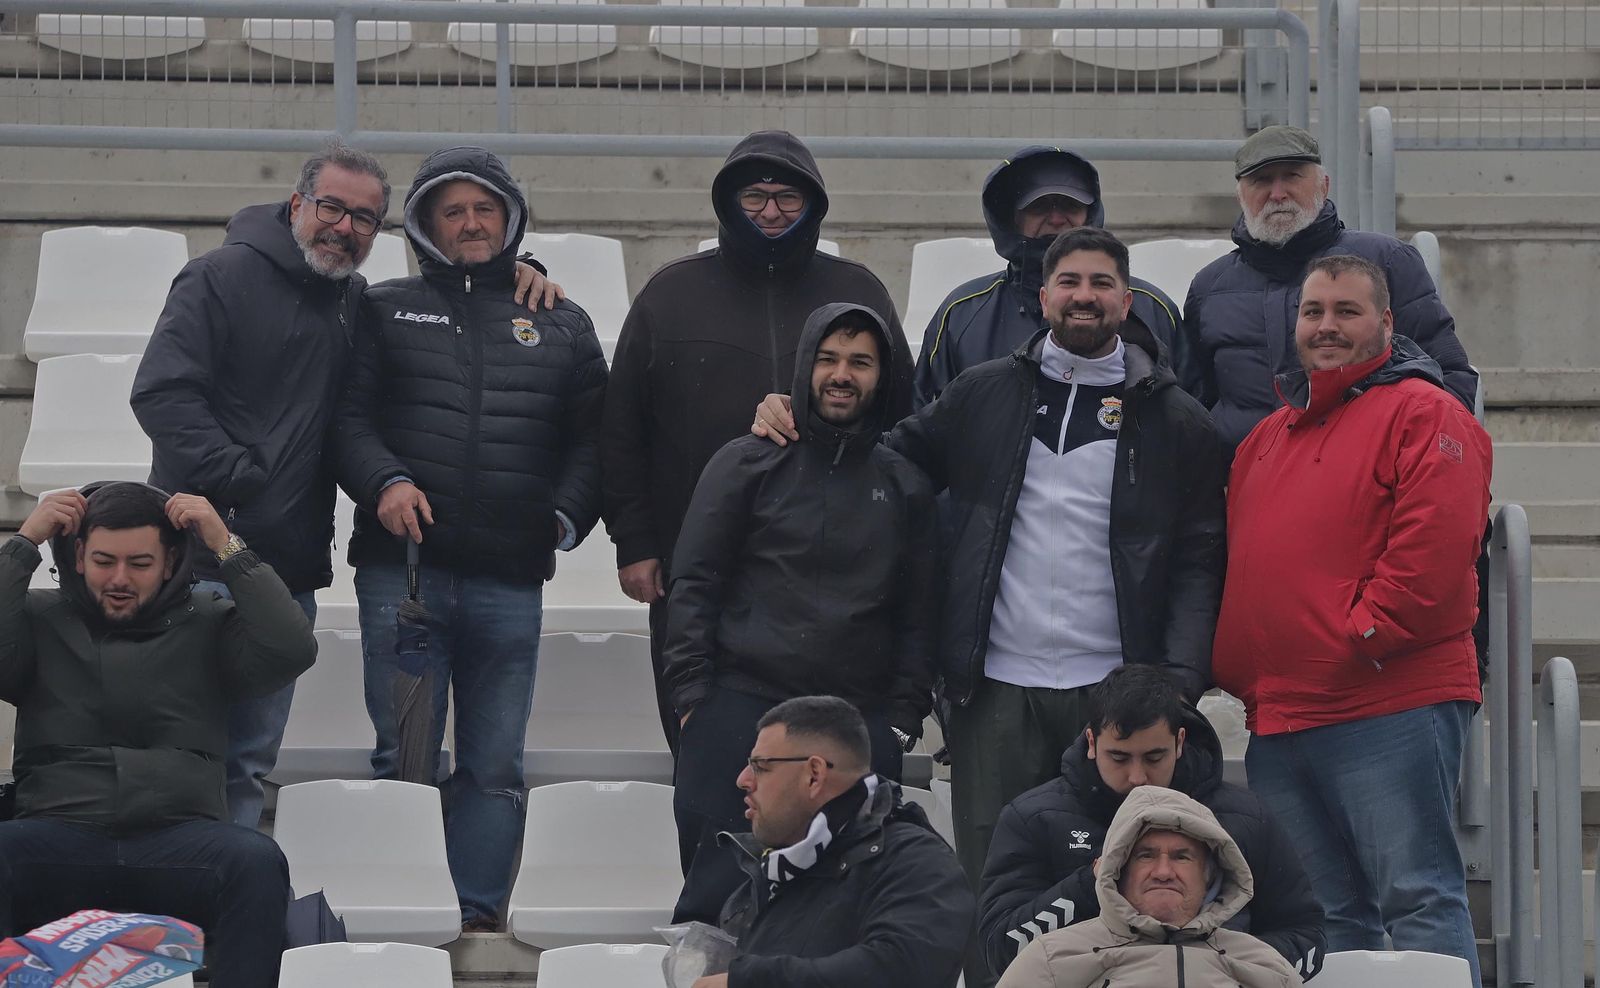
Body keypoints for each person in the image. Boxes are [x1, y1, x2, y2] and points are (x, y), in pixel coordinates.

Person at [752, 226, 1226, 928]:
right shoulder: (983, 393)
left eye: (1101, 284)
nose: (1084, 297)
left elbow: (1197, 557)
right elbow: (886, 464)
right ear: (1044, 297)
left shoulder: (1177, 418)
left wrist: (1178, 683)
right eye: (1070, 283)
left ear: (1128, 301)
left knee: (1120, 889)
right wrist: (802, 410)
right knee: (992, 892)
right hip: (996, 687)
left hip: (1115, 693)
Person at [130, 141, 560, 829]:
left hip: (281, 580)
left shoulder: (352, 299)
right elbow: (162, 395)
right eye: (331, 207)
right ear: (297, 204)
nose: (345, 227)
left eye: (364, 218)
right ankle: (168, 920)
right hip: (200, 568)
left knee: (246, 763)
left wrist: (523, 271)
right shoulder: (218, 277)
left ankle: (221, 907)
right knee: (178, 756)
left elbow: (462, 304)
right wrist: (242, 478)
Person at [329, 145, 607, 933]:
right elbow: (346, 422)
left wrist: (563, 517)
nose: (471, 223)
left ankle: (478, 913)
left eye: (485, 208)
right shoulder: (381, 309)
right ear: (424, 226)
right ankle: (405, 912)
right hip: (405, 582)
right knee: (407, 759)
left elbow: (595, 441)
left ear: (511, 218)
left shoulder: (560, 318)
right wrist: (385, 483)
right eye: (452, 210)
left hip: (509, 584)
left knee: (494, 766)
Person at [1211, 254, 1491, 986]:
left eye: (1346, 311)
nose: (1327, 326)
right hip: (1283, 714)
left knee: (1418, 897)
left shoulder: (1427, 412)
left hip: (1387, 701)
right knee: (1323, 915)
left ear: (1386, 325)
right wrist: (1245, 671)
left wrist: (1360, 636)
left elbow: (1434, 552)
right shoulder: (1267, 438)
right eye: (1314, 312)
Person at [601, 130, 916, 753]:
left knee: (825, 779)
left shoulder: (859, 291)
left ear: (814, 205)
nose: (771, 211)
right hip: (694, 573)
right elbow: (620, 430)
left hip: (835, 575)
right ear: (727, 203)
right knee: (711, 771)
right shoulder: (670, 294)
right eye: (754, 197)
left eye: (788, 197)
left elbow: (900, 417)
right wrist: (633, 543)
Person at [664, 303, 938, 924]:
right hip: (737, 708)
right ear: (804, 367)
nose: (842, 375)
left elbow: (920, 614)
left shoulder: (905, 485)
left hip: (855, 720)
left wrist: (897, 722)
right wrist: (693, 701)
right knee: (715, 907)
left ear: (882, 377)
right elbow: (693, 585)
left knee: (841, 914)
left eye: (860, 362)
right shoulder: (745, 461)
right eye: (829, 358)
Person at [0, 482, 317, 988]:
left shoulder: (210, 619)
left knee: (255, 861)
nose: (119, 578)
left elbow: (292, 648)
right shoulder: (39, 618)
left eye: (140, 564)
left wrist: (227, 546)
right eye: (105, 561)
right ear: (78, 556)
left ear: (170, 563)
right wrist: (23, 543)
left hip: (179, 843)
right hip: (58, 837)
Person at [978, 664, 1325, 980]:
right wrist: (1094, 883)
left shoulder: (1245, 820)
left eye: (1154, 757)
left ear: (1179, 742)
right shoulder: (1034, 819)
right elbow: (1001, 952)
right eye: (1119, 757)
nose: (1137, 777)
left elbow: (1307, 937)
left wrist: (1223, 971)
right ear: (1091, 743)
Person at [1175, 125, 1475, 453]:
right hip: (1244, 486)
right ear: (1240, 195)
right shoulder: (1209, 287)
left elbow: (1448, 378)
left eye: (1292, 176)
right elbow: (1194, 405)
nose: (1277, 194)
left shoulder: (1388, 261)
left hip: (1366, 484)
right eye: (1261, 180)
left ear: (1324, 185)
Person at [689, 695, 974, 988]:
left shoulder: (917, 861)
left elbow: (903, 971)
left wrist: (749, 982)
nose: (743, 779)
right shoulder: (769, 872)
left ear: (814, 774)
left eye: (760, 765)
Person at [914, 146, 1183, 408]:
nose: (1056, 218)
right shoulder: (962, 313)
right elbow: (920, 421)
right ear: (1013, 217)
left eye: (1069, 204)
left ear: (1090, 213)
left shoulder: (1153, 310)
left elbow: (1191, 416)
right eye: (1039, 206)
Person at [996, 787, 1300, 988]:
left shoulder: (1264, 965)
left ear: (1210, 873)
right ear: (1118, 869)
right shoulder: (1051, 960)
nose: (1164, 872)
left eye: (1182, 857)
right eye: (1146, 855)